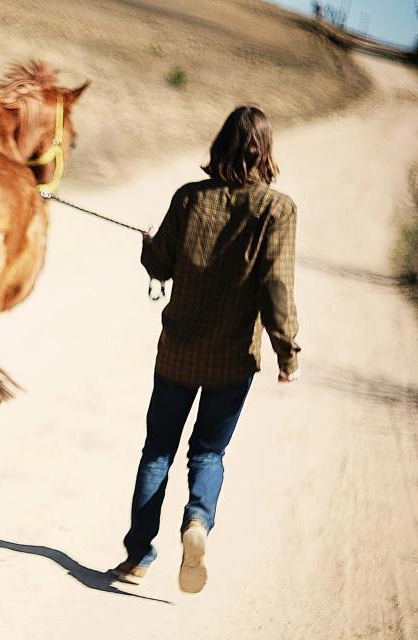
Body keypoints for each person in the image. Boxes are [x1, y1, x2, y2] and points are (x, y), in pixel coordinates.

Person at [113, 105, 300, 593]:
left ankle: (137, 556)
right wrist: (288, 353)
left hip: (178, 350)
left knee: (158, 450)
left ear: (221, 145)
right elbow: (276, 286)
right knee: (209, 453)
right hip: (233, 359)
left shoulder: (190, 198)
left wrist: (149, 244)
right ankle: (197, 520)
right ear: (265, 152)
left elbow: (160, 265)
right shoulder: (277, 210)